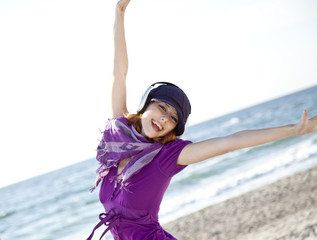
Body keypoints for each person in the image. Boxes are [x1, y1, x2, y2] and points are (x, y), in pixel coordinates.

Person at [87, 0, 317, 239]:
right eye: (161, 107)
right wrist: (119, 11)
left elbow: (232, 141)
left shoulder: (167, 156)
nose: (164, 118)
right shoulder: (118, 135)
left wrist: (294, 129)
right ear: (147, 105)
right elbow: (119, 73)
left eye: (173, 118)